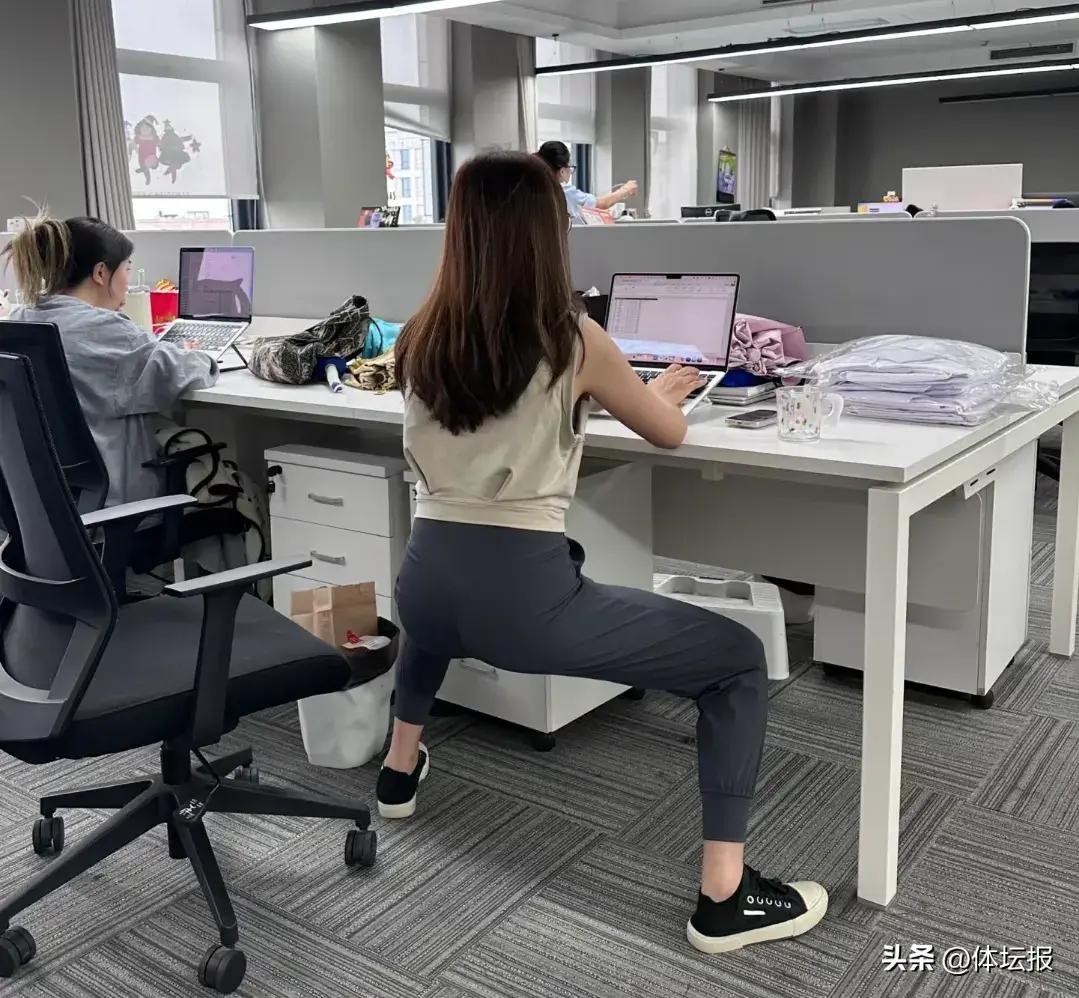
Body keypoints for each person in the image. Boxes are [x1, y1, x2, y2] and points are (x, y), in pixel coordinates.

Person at [379, 151, 828, 955]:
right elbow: (668, 433)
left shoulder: (418, 336)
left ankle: (397, 771)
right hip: (523, 608)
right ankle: (724, 896)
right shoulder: (572, 339)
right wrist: (657, 392)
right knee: (735, 661)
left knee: (439, 611)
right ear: (546, 235)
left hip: (423, 583)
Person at [2, 214, 219, 507]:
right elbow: (185, 373)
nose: (127, 282)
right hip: (116, 508)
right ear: (101, 273)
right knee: (231, 484)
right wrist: (199, 354)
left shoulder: (19, 322)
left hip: (42, 510)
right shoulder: (109, 331)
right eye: (126, 269)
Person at [537, 140, 638, 221]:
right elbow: (600, 204)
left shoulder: (534, 187)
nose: (570, 172)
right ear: (562, 171)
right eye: (570, 167)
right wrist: (625, 190)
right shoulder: (563, 191)